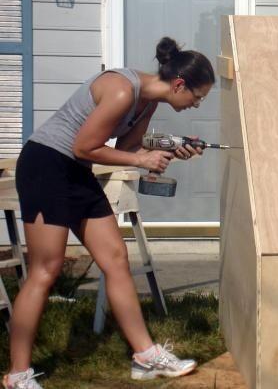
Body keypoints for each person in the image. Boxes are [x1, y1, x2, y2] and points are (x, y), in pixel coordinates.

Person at [4, 36, 216, 389]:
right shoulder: (121, 90)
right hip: (46, 165)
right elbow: (85, 146)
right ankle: (17, 375)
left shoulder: (148, 103)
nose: (197, 104)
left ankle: (145, 357)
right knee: (47, 267)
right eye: (198, 96)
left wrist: (172, 147)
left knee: (116, 258)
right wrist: (140, 160)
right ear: (180, 84)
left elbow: (128, 147)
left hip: (75, 171)